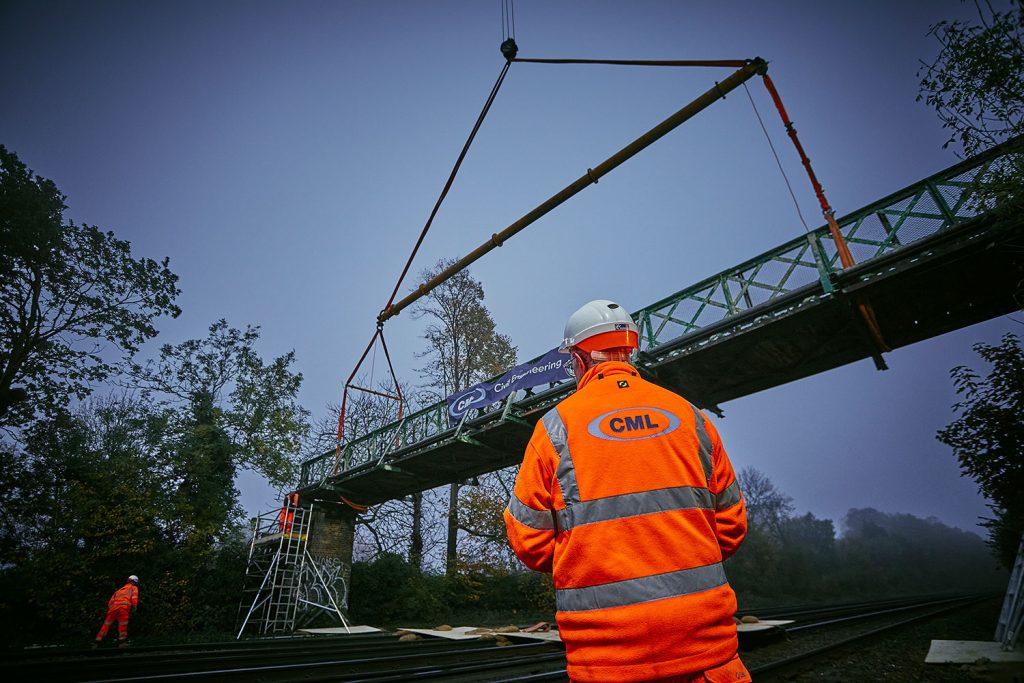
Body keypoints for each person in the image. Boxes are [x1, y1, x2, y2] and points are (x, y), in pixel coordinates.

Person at [504, 300, 750, 683]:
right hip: (708, 656)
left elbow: (529, 541)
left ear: (580, 360)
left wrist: (591, 556)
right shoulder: (691, 417)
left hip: (607, 661)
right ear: (630, 351)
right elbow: (731, 527)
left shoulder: (555, 429)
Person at [94, 575, 139, 648]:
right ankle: (122, 643)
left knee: (105, 625)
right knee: (122, 626)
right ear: (134, 582)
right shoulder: (134, 588)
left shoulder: (118, 590)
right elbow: (134, 597)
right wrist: (134, 607)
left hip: (113, 610)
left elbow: (110, 603)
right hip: (123, 609)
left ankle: (97, 642)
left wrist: (113, 609)